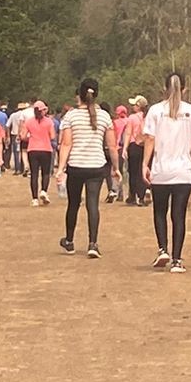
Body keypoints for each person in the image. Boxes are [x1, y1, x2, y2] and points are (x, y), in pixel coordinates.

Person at [141, 74, 191, 273]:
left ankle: (162, 249)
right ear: (184, 89)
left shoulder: (155, 110)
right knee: (179, 215)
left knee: (160, 211)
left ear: (164, 88)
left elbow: (149, 139)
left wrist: (145, 164)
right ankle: (177, 260)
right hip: (184, 171)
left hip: (161, 170)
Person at [58, 78, 118, 258]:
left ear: (80, 94)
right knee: (93, 204)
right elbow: (112, 146)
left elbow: (66, 144)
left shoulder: (71, 116)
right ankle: (93, 243)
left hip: (76, 165)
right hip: (96, 166)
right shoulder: (104, 116)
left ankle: (69, 241)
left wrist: (60, 168)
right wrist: (115, 168)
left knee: (73, 204)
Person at [23, 100, 56, 206]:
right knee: (45, 173)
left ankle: (34, 199)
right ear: (43, 110)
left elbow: (23, 136)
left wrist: (31, 138)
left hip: (32, 149)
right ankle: (43, 191)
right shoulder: (49, 122)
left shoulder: (29, 122)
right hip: (46, 149)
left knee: (34, 174)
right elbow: (52, 136)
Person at [123, 96, 150, 207]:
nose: (132, 106)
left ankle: (133, 195)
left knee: (133, 172)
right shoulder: (149, 117)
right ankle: (142, 194)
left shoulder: (132, 118)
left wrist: (125, 148)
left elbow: (128, 133)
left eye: (134, 105)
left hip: (134, 146)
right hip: (147, 146)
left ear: (139, 106)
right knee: (143, 170)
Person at [107, 105, 130, 202]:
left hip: (118, 148)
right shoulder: (129, 121)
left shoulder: (115, 122)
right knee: (127, 172)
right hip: (129, 148)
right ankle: (128, 193)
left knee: (117, 171)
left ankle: (117, 192)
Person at [8, 102, 33, 177]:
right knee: (29, 152)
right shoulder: (31, 113)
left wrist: (18, 134)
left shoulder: (14, 115)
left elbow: (9, 125)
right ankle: (26, 167)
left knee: (19, 152)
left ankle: (18, 168)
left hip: (18, 134)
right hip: (31, 135)